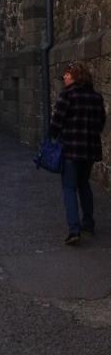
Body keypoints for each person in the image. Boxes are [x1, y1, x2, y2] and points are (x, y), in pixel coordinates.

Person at [50, 61, 106, 245]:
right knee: (84, 184)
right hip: (89, 149)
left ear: (75, 76)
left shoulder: (67, 95)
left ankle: (74, 230)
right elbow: (100, 123)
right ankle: (88, 223)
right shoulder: (96, 97)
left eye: (67, 74)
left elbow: (56, 123)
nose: (64, 77)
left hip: (71, 149)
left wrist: (53, 135)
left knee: (69, 187)